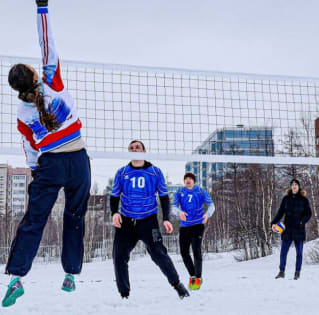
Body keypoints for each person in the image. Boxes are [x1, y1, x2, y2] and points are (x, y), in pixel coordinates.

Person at [2, 0, 91, 308]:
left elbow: (28, 148)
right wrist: (42, 7)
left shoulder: (21, 113)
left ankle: (15, 277)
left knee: (35, 219)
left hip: (49, 163)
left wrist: (36, 171)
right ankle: (70, 275)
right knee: (75, 216)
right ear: (34, 74)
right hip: (78, 160)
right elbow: (47, 42)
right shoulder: (51, 79)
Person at [110, 140, 189, 299]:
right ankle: (124, 294)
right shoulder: (122, 172)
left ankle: (178, 285)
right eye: (131, 148)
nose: (134, 149)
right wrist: (114, 213)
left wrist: (166, 218)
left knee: (159, 254)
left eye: (137, 147)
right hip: (126, 220)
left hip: (148, 220)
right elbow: (114, 196)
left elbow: (164, 197)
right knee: (118, 255)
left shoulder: (155, 172)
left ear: (144, 151)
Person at [172, 173, 215, 290]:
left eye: (190, 179)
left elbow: (211, 205)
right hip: (185, 226)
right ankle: (193, 275)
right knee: (184, 252)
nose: (188, 180)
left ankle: (198, 277)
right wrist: (179, 212)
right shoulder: (179, 192)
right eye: (185, 178)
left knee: (196, 250)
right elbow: (173, 207)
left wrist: (207, 215)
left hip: (197, 225)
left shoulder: (200, 191)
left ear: (194, 181)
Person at [271, 179, 312, 280]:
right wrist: (273, 223)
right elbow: (280, 212)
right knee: (283, 251)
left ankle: (297, 273)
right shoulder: (286, 199)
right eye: (292, 185)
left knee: (299, 253)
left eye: (296, 185)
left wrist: (302, 222)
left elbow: (308, 213)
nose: (294, 186)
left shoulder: (304, 199)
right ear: (291, 187)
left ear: (299, 186)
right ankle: (281, 272)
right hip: (287, 229)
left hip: (299, 229)